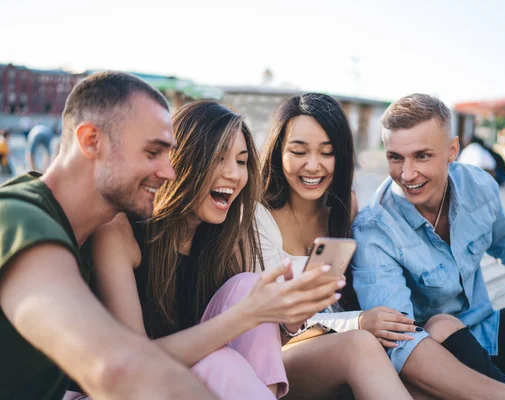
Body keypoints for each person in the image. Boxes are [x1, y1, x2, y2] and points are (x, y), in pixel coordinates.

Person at [85, 100, 342, 400]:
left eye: (242, 161)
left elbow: (251, 346)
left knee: (248, 289)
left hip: (190, 386)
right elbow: (134, 365)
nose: (234, 174)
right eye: (219, 158)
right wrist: (248, 315)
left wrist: (291, 319)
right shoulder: (120, 232)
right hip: (116, 391)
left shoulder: (225, 237)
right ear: (183, 159)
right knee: (221, 361)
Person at [352, 93, 505, 399]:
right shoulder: (373, 230)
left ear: (452, 150)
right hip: (437, 359)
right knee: (441, 326)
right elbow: (401, 343)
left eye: (422, 156)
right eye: (396, 157)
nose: (407, 173)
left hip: (487, 332)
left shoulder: (478, 185)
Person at [0, 72, 217, 399]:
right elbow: (114, 368)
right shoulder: (19, 219)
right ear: (91, 141)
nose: (170, 172)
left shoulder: (90, 236)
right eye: (152, 152)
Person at [257, 93, 417, 399]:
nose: (313, 166)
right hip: (275, 359)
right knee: (360, 345)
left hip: (329, 345)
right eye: (299, 151)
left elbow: (323, 302)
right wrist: (358, 322)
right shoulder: (257, 215)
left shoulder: (341, 208)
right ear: (279, 151)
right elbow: (274, 320)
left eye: (327, 153)